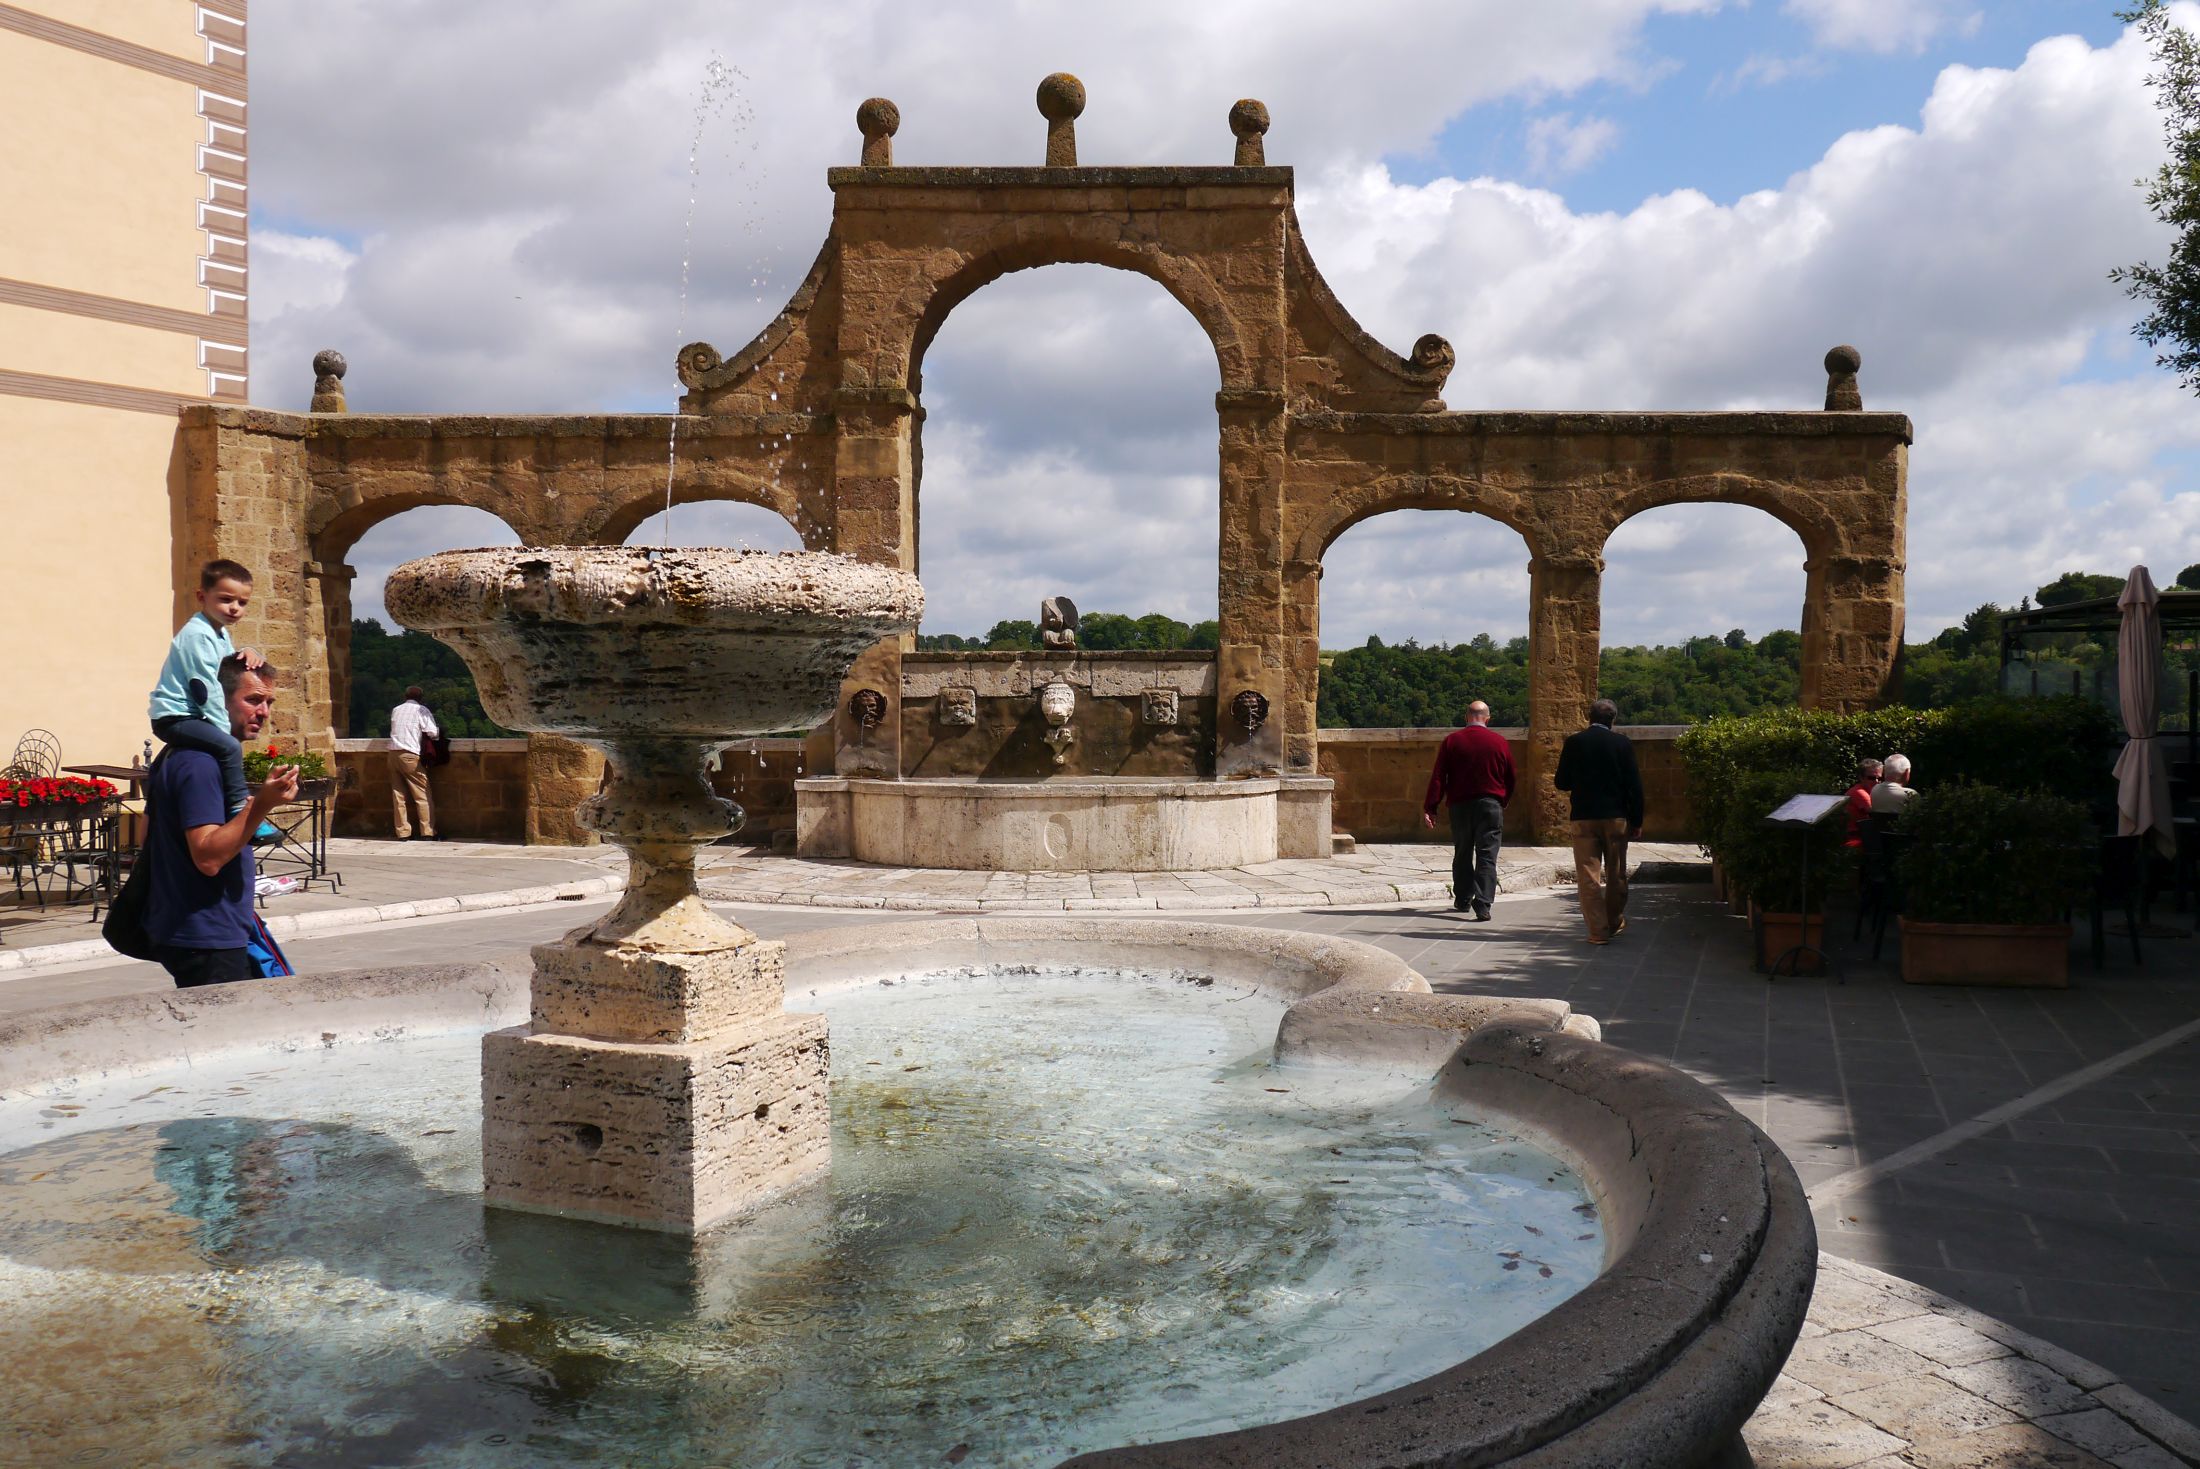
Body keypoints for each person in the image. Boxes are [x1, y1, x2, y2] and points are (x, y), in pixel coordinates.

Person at [144, 655, 298, 987]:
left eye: (268, 702)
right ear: (217, 699)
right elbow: (208, 857)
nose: (264, 712)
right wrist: (262, 805)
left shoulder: (184, 755)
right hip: (206, 936)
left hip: (206, 928)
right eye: (253, 700)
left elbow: (150, 832)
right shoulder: (199, 764)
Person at [147, 559, 262, 819]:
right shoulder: (198, 635)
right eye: (226, 599)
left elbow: (227, 667)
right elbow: (205, 690)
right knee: (229, 748)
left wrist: (247, 651)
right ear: (202, 596)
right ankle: (238, 807)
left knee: (214, 745)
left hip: (191, 716)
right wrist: (225, 733)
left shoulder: (218, 633)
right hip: (176, 717)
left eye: (242, 602)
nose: (234, 608)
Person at [1553, 698, 1644, 946]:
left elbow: (1561, 782)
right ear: (1613, 719)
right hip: (1615, 816)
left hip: (1583, 816)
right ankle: (1613, 921)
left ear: (1589, 717)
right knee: (1616, 872)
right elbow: (1634, 786)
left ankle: (1597, 930)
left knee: (1587, 876)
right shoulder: (1622, 743)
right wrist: (1636, 820)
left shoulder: (1574, 742)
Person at [1421, 700, 1516, 921]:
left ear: (1467, 717)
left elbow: (1439, 777)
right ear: (1487, 719)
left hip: (1460, 805)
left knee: (1463, 852)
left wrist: (1431, 807)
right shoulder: (1499, 742)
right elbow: (1511, 776)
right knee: (1487, 854)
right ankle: (1483, 903)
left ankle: (1463, 898)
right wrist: (1504, 799)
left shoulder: (1452, 741)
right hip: (1490, 804)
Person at [388, 685, 440, 841]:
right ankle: (427, 831)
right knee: (422, 794)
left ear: (405, 696)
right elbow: (433, 732)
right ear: (420, 698)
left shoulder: (396, 710)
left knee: (398, 796)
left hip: (393, 754)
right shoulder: (421, 710)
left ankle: (403, 833)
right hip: (410, 754)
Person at [1844, 758, 1883, 847]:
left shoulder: (1869, 792)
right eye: (1871, 778)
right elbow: (1876, 814)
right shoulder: (1859, 792)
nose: (1876, 782)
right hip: (1856, 840)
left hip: (1864, 837)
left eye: (1880, 778)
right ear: (1861, 778)